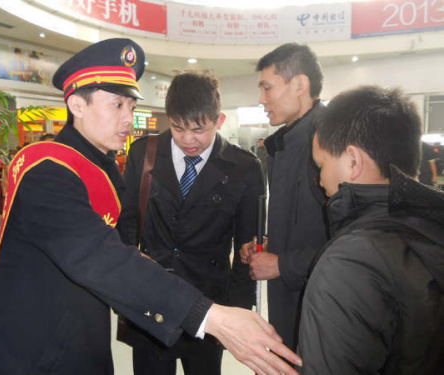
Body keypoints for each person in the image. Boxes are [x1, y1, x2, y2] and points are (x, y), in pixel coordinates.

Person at [0, 38, 301, 375]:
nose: (129, 118)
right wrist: (211, 316)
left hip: (81, 339)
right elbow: (101, 255)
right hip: (32, 353)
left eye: (131, 106)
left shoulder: (101, 166)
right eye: (117, 105)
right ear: (77, 105)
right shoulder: (47, 171)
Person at [118, 71, 265, 375]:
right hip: (151, 297)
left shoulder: (244, 168)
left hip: (210, 303)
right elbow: (127, 224)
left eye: (199, 129)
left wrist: (238, 312)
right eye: (177, 127)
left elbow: (245, 250)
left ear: (219, 120)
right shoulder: (143, 154)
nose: (187, 139)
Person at [298, 85, 444, 373]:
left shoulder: (350, 262)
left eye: (321, 165)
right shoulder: (433, 227)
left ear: (353, 161)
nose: (320, 179)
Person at [240, 43, 328, 350]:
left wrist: (282, 265)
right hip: (289, 307)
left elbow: (356, 241)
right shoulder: (286, 144)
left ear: (299, 84)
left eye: (267, 87)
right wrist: (266, 246)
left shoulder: (331, 144)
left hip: (323, 312)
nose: (262, 99)